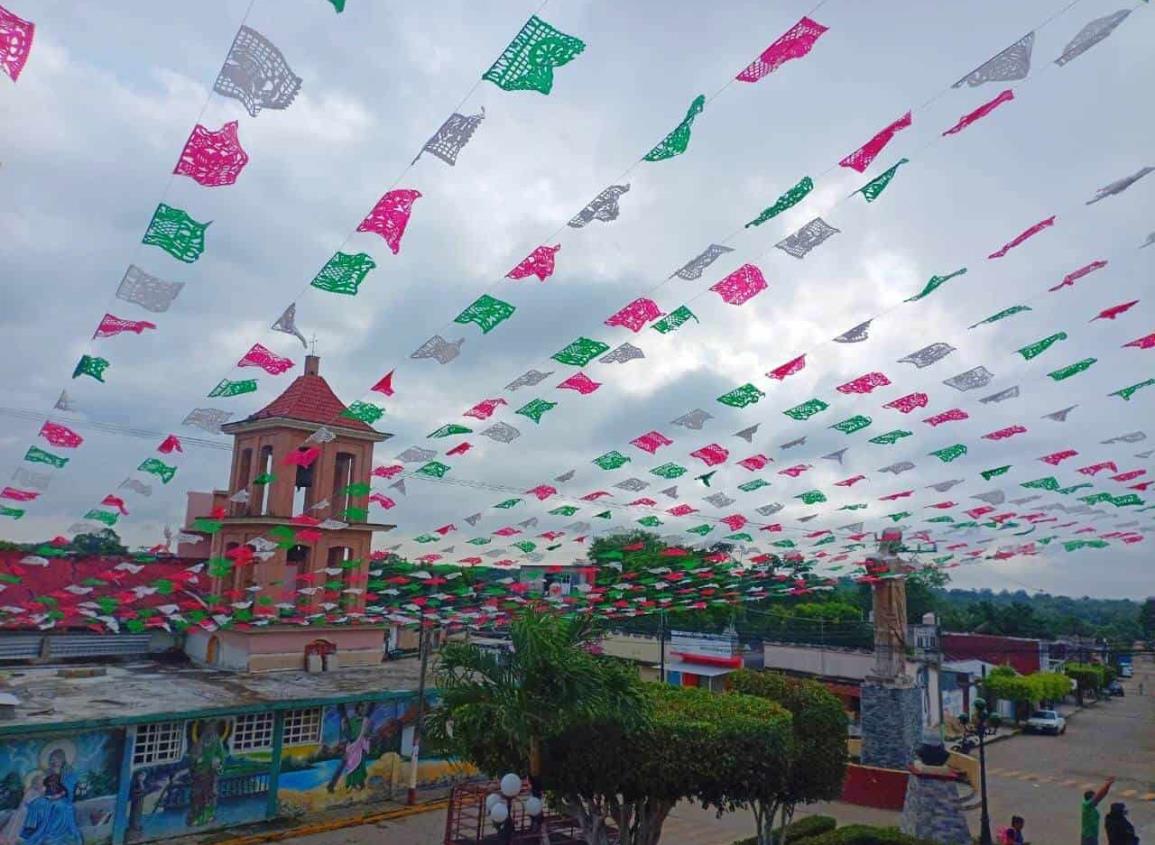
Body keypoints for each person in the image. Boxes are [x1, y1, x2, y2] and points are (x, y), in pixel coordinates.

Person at [1082, 777, 1115, 845]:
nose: (1097, 802)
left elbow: (1101, 796)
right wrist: (1107, 784)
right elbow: (1099, 796)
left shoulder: (1090, 807)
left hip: (1092, 835)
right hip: (1089, 836)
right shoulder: (1087, 806)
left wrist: (1107, 787)